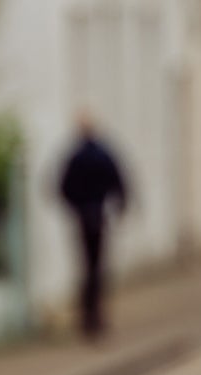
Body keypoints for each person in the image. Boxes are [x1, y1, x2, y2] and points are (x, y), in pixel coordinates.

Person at [58, 116, 129, 336]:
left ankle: (87, 318)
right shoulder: (102, 154)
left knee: (86, 267)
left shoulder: (75, 156)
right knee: (97, 268)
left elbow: (63, 187)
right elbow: (119, 181)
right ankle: (95, 317)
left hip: (84, 217)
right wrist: (118, 206)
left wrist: (76, 207)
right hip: (99, 215)